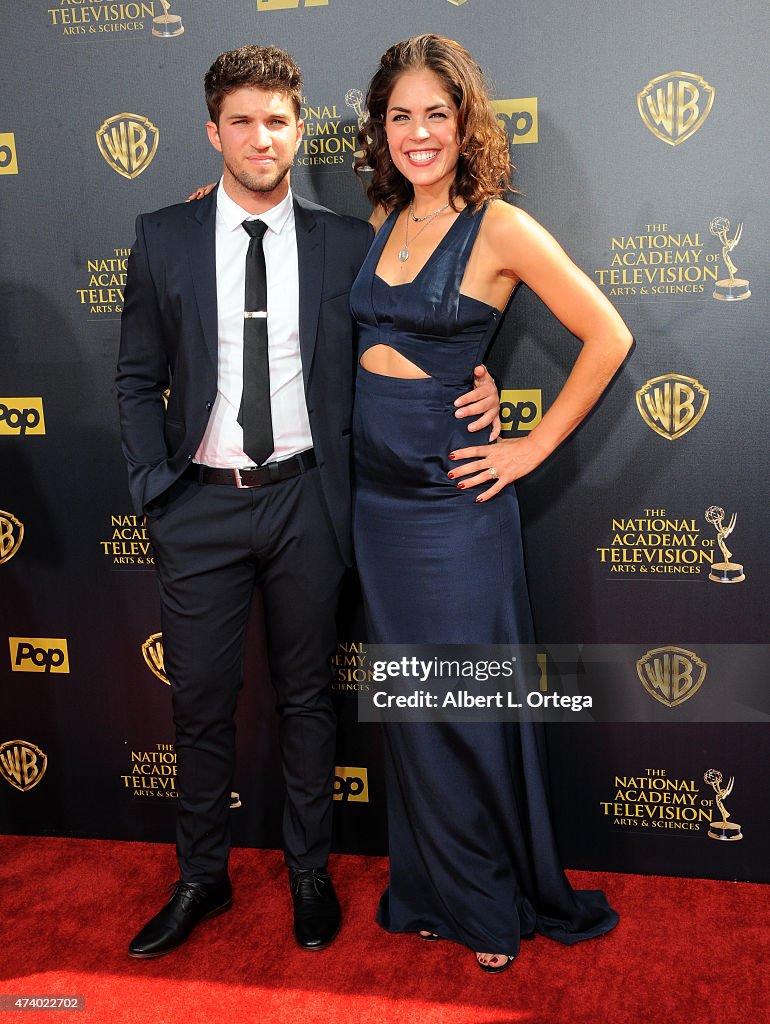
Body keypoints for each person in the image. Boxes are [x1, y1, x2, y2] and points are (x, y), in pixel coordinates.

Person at [116, 44, 500, 959]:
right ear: (214, 131)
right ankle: (202, 879)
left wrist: (471, 379)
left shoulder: (347, 242)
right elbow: (135, 380)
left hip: (308, 507)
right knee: (200, 706)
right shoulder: (162, 236)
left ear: (298, 131)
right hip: (199, 506)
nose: (260, 137)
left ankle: (309, 873)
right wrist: (154, 493)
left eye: (277, 121)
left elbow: (406, 340)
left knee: (306, 702)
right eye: (241, 121)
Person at [350, 35, 633, 972]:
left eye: (437, 112)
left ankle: (489, 904)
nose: (418, 132)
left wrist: (530, 443)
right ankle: (430, 888)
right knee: (413, 708)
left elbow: (608, 333)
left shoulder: (500, 225)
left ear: (466, 122)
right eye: (401, 115)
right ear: (380, 128)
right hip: (377, 508)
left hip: (452, 509)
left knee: (465, 705)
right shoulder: (385, 215)